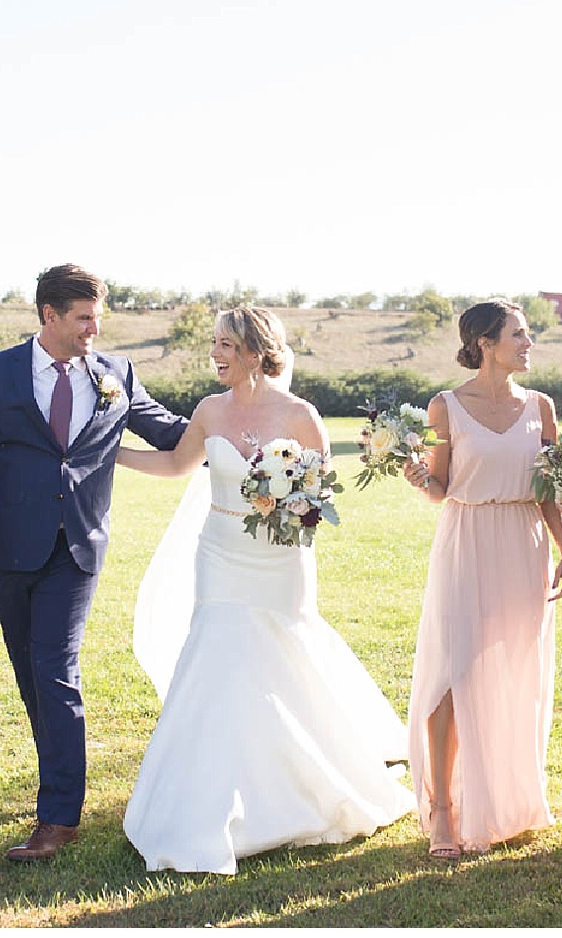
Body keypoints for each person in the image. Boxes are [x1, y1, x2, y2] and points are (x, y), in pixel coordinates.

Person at [0, 264, 186, 861]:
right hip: (12, 548)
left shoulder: (116, 373)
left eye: (98, 319)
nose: (92, 332)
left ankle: (59, 817)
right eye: (82, 319)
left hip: (77, 547)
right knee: (31, 677)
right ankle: (58, 785)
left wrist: (246, 430)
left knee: (55, 670)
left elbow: (171, 432)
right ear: (48, 316)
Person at [120, 306, 412, 874]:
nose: (216, 353)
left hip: (280, 561)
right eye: (214, 343)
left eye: (226, 344)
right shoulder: (209, 410)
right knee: (219, 665)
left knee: (284, 663)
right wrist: (111, 455)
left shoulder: (301, 415)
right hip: (220, 555)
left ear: (256, 349)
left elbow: (320, 497)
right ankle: (206, 803)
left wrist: (287, 505)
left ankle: (299, 787)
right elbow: (180, 465)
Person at [400, 300, 562, 859]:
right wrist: (418, 476)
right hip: (466, 539)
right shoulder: (446, 406)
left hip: (524, 544)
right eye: (519, 335)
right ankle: (445, 811)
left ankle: (506, 798)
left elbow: (548, 490)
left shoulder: (541, 407)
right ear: (485, 342)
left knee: (514, 671)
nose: (529, 344)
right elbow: (440, 488)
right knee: (454, 671)